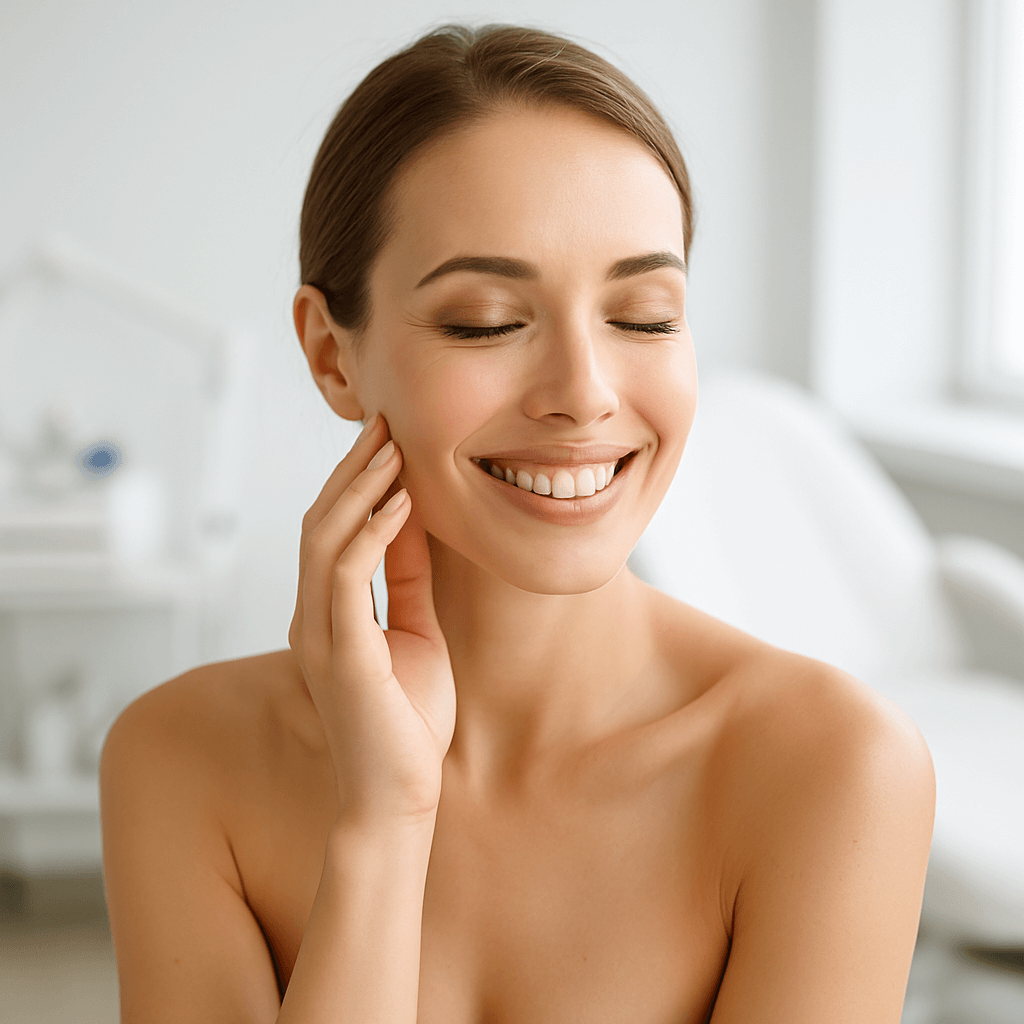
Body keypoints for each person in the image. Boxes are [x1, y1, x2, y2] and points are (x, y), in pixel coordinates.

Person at [98, 23, 935, 1024]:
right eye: (487, 320)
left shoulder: (831, 768)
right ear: (331, 355)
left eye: (645, 314)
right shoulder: (179, 761)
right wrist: (382, 826)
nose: (583, 393)